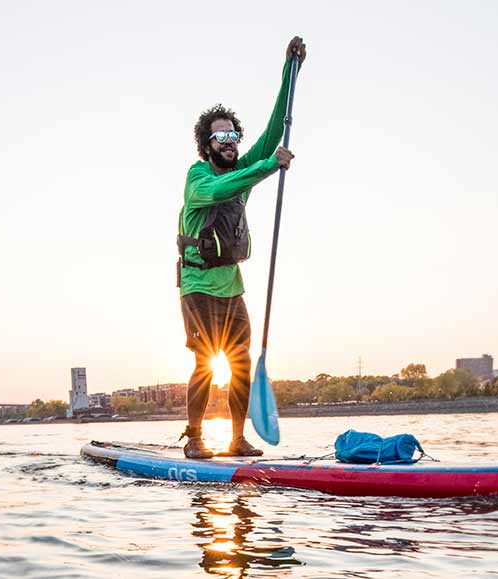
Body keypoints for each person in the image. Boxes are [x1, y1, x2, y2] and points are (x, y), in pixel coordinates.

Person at [177, 36, 306, 459]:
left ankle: (236, 439)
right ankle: (195, 438)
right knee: (204, 363)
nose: (229, 141)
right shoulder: (199, 178)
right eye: (220, 137)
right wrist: (269, 167)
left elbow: (273, 133)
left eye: (233, 134)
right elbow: (223, 187)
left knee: (240, 362)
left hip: (231, 286)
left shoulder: (241, 168)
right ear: (207, 144)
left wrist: (291, 70)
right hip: (197, 286)